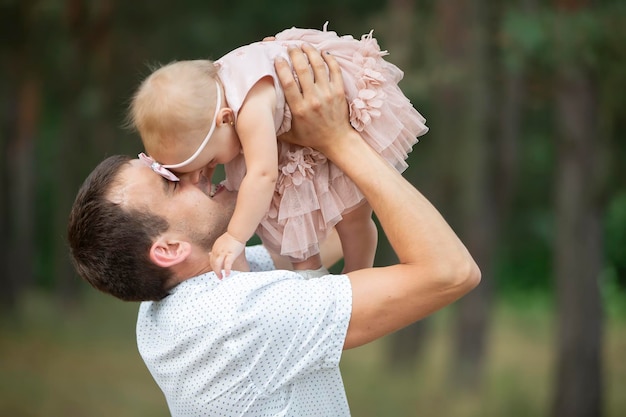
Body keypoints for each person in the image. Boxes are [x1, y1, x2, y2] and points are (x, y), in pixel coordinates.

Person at [68, 44, 480, 416]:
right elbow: (451, 272)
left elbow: (325, 240)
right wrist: (339, 139)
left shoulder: (169, 309)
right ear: (170, 248)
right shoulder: (236, 318)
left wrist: (298, 141)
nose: (195, 172)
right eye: (172, 180)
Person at [126, 23, 429, 278]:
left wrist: (235, 236)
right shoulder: (210, 95)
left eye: (211, 162)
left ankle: (359, 274)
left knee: (350, 216)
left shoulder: (250, 107)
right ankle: (307, 270)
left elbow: (263, 175)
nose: (208, 174)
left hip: (340, 105)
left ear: (225, 119)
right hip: (292, 124)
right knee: (287, 208)